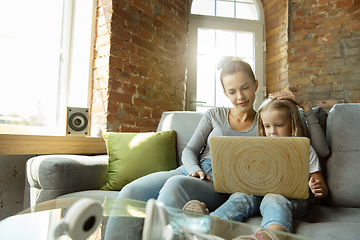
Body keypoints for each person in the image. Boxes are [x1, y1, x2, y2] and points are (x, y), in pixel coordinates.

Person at [116, 56, 329, 212]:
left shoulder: (268, 122)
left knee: (174, 186)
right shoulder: (214, 114)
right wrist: (194, 170)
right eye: (232, 91)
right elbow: (190, 149)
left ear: (255, 86)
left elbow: (318, 150)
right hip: (191, 172)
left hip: (219, 182)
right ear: (225, 93)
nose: (240, 97)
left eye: (245, 88)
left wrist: (306, 106)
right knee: (130, 192)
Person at [200, 98, 329, 238]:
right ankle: (210, 224)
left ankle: (270, 235)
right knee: (240, 196)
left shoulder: (305, 150)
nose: (272, 131)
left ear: (292, 124)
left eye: (279, 125)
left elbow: (322, 188)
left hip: (292, 201)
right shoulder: (259, 148)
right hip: (258, 196)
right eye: (267, 126)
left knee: (274, 198)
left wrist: (318, 189)